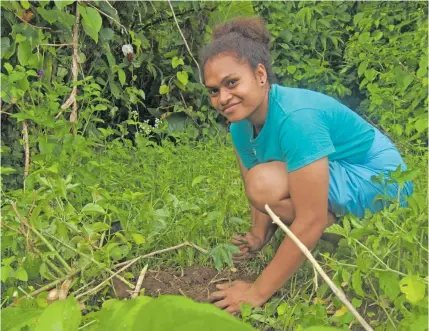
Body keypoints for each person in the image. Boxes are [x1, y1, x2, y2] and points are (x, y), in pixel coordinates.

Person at [200, 17, 413, 314]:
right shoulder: (239, 124)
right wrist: (258, 234)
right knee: (259, 184)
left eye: (231, 82)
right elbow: (255, 186)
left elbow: (304, 215)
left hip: (384, 181)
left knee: (279, 196)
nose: (223, 98)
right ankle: (325, 224)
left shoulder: (297, 118)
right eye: (213, 90)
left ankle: (340, 230)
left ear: (260, 75)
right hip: (343, 171)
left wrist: (255, 292)